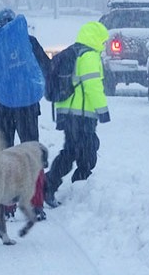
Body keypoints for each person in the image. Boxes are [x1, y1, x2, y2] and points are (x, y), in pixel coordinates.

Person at [0, 8, 51, 220]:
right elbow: (47, 67)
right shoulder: (28, 41)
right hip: (28, 106)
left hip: (0, 107)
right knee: (32, 155)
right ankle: (36, 204)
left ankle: (6, 206)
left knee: (2, 156)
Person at [44, 21, 111, 208]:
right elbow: (92, 86)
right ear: (95, 38)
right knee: (79, 151)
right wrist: (103, 110)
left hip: (69, 113)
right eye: (103, 40)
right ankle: (49, 186)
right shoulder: (89, 56)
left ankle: (76, 185)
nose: (104, 44)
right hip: (81, 114)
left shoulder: (76, 52)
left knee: (78, 150)